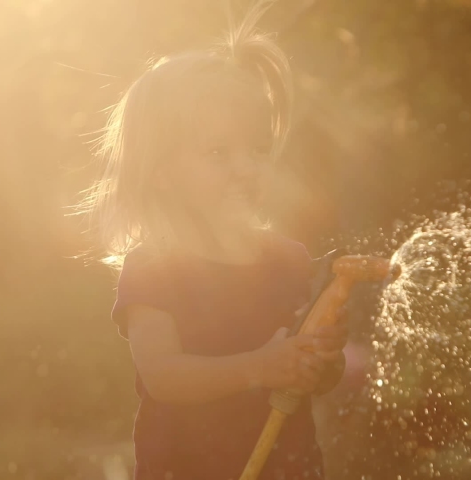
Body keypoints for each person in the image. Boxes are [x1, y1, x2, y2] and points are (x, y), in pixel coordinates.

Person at [81, 3, 348, 479]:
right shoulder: (156, 268)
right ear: (161, 171)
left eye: (258, 149)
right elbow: (164, 375)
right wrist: (259, 368)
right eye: (219, 153)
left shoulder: (288, 261)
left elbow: (313, 377)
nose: (246, 168)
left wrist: (321, 355)